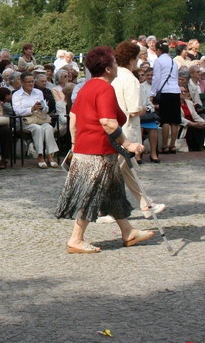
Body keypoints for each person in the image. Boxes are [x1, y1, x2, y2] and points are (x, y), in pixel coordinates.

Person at [55, 46, 154, 254]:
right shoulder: (105, 89)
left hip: (88, 149)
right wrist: (129, 145)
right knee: (90, 194)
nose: (117, 66)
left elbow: (73, 119)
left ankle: (128, 232)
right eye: (115, 64)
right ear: (108, 68)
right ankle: (76, 239)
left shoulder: (85, 88)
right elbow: (108, 123)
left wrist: (75, 144)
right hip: (98, 152)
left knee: (114, 193)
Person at [110, 41, 166, 219]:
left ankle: (145, 203)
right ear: (132, 59)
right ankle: (106, 209)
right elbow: (134, 109)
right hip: (127, 130)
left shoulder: (115, 77)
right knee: (116, 170)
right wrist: (146, 109)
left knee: (128, 169)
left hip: (118, 127)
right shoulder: (131, 80)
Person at [12, 72, 59, 169]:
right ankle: (40, 156)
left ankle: (50, 155)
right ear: (22, 82)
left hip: (39, 118)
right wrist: (31, 109)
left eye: (32, 81)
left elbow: (45, 109)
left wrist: (43, 108)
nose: (30, 84)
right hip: (25, 121)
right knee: (38, 129)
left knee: (49, 128)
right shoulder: (16, 95)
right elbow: (17, 111)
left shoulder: (38, 92)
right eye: (28, 82)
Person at [150, 41, 181, 155]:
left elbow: (156, 78)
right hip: (175, 90)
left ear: (159, 50)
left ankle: (164, 145)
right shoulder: (174, 62)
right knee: (175, 120)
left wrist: (152, 93)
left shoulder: (159, 61)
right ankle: (172, 145)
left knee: (165, 120)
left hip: (165, 91)